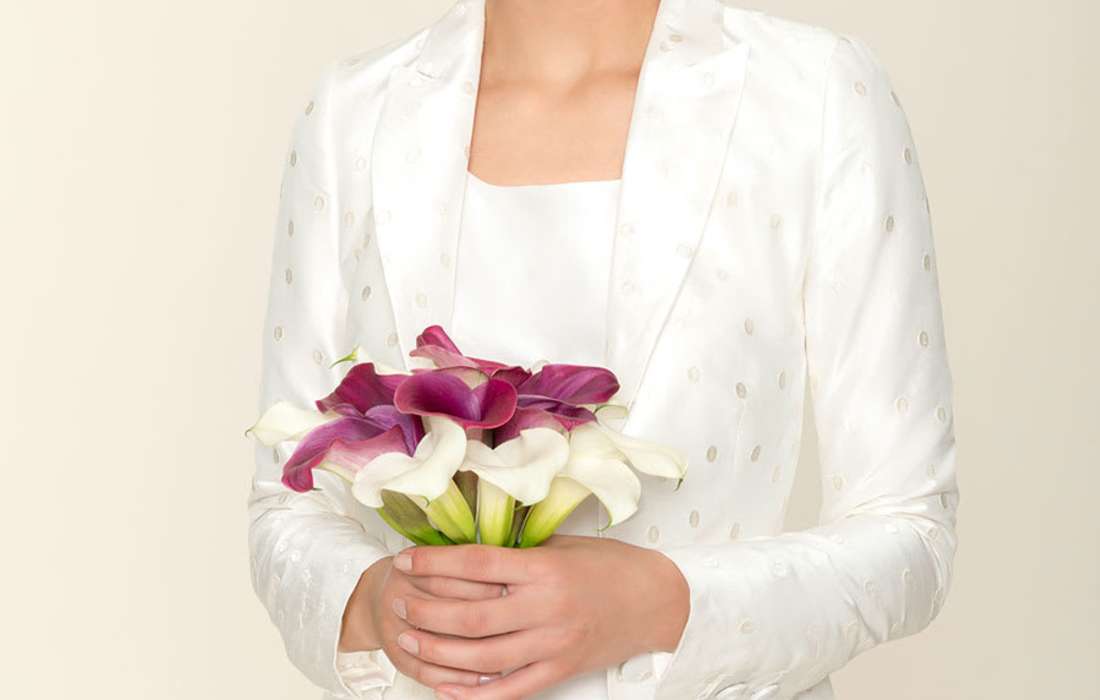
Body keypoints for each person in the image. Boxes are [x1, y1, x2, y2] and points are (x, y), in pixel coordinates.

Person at [248, 0, 959, 698]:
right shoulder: (354, 110)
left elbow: (911, 532)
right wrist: (381, 603)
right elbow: (286, 507)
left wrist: (655, 602)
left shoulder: (812, 94)